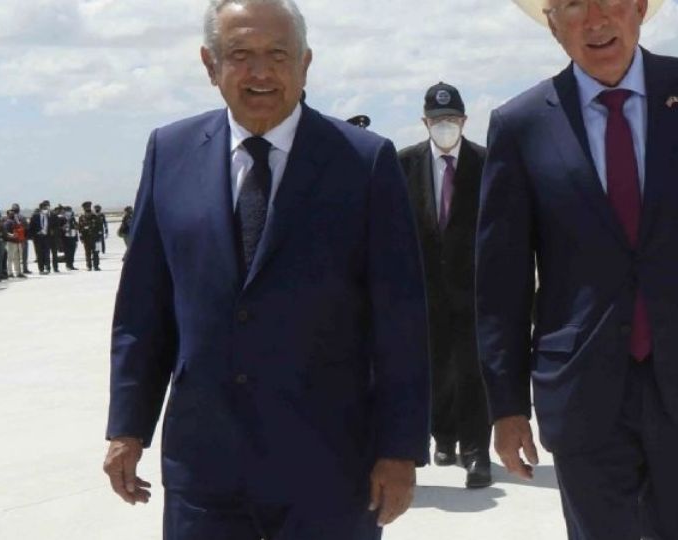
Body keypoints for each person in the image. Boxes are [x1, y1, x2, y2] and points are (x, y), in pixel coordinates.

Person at [102, 1, 429, 539]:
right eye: (240, 55)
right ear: (210, 65)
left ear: (305, 63)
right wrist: (128, 428)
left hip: (330, 465)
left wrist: (400, 449)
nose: (260, 72)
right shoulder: (170, 152)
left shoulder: (364, 162)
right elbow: (144, 308)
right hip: (204, 467)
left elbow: (402, 321)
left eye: (278, 55)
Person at [477, 1, 678, 538]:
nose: (596, 19)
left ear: (641, 8)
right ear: (552, 23)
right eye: (574, 4)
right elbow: (501, 284)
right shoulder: (520, 124)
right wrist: (506, 407)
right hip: (582, 393)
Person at [398, 82, 492, 488]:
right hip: (424, 288)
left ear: (464, 121)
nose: (445, 126)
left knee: (473, 369)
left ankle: (476, 451)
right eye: (438, 120)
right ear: (425, 123)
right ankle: (444, 435)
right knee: (434, 367)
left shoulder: (486, 162)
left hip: (473, 288)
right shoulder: (404, 163)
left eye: (452, 118)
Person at [2, 209, 25, 279]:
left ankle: (18, 272)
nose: (12, 214)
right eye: (11, 213)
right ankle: (10, 273)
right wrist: (11, 235)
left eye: (13, 213)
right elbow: (5, 232)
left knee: (17, 258)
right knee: (10, 258)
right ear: (8, 215)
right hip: (11, 242)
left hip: (17, 242)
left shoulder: (16, 221)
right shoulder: (7, 222)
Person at [78, 202, 101, 271]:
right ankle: (89, 266)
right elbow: (80, 228)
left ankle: (96, 266)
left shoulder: (95, 217)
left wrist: (99, 236)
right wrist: (81, 237)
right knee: (87, 253)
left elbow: (99, 227)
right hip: (86, 238)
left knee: (96, 252)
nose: (87, 210)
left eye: (88, 208)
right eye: (86, 208)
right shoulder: (81, 217)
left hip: (95, 238)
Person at [61, 206, 79, 270]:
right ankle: (68, 265)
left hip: (73, 237)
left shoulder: (72, 219)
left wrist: (76, 238)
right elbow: (59, 228)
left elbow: (76, 228)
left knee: (72, 252)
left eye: (70, 211)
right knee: (67, 252)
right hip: (65, 238)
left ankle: (71, 265)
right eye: (67, 211)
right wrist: (63, 227)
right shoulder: (62, 219)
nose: (69, 212)